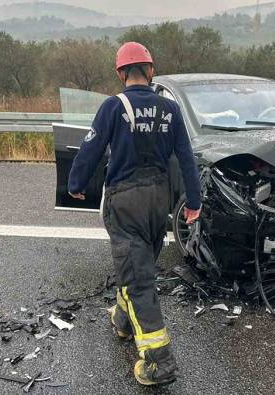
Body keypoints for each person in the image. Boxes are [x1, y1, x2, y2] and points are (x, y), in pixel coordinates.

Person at [67, 42, 201, 386]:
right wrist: (193, 202)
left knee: (139, 277)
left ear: (120, 73)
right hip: (159, 200)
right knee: (140, 264)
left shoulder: (113, 106)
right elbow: (187, 159)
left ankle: (160, 362)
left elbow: (91, 147)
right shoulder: (170, 109)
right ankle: (124, 320)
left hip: (125, 200)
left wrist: (76, 183)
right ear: (151, 70)